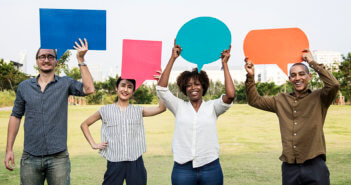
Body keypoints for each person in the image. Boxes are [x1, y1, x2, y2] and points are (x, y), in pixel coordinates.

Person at [4, 38, 95, 185]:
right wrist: (9, 149)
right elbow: (15, 116)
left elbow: (89, 89)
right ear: (37, 61)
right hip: (30, 157)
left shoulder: (65, 83)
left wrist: (81, 59)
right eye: (42, 56)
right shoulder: (24, 87)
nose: (46, 60)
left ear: (56, 61)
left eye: (50, 56)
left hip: (58, 158)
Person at [244, 49, 340, 185]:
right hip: (290, 168)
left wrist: (312, 62)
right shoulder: (280, 100)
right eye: (293, 75)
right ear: (290, 79)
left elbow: (334, 84)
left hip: (315, 166)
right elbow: (254, 100)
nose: (297, 78)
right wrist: (250, 76)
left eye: (302, 74)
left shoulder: (320, 98)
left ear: (309, 77)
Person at [156, 40, 235, 185]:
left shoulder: (213, 107)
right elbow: (161, 89)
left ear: (203, 86)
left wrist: (225, 64)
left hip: (210, 167)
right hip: (182, 169)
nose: (193, 88)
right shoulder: (178, 106)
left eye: (197, 84)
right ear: (184, 89)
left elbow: (230, 95)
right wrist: (173, 58)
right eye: (188, 85)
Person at [80, 77, 166, 185]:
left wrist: (160, 84)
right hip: (114, 162)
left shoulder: (139, 110)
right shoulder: (105, 110)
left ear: (133, 91)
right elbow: (84, 124)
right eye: (123, 85)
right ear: (116, 88)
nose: (125, 90)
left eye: (130, 87)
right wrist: (93, 144)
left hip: (136, 162)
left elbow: (161, 108)